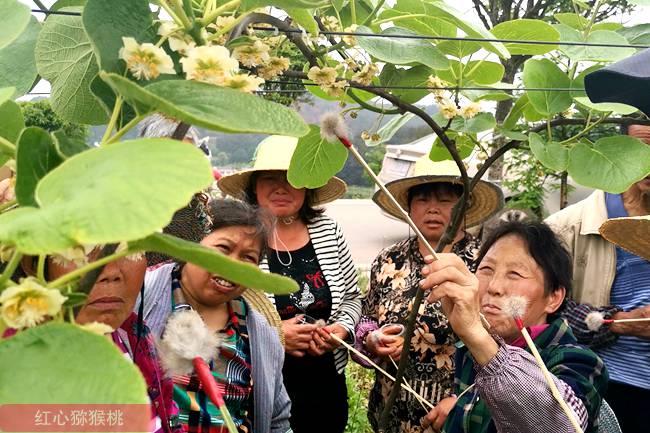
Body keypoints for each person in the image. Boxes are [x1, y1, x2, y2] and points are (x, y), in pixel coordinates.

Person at [217, 135, 361, 433]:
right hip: (258, 383)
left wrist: (341, 329)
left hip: (325, 382)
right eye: (269, 178)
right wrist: (276, 335)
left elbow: (352, 297)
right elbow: (217, 312)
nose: (281, 187)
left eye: (292, 177)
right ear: (253, 187)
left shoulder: (328, 231)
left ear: (307, 187)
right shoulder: (237, 239)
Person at [354, 156, 503, 433]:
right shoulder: (388, 260)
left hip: (456, 415)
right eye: (422, 200)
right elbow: (367, 317)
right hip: (391, 410)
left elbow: (505, 346)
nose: (433, 208)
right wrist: (372, 339)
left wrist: (464, 399)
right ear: (409, 207)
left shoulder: (484, 263)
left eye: (445, 200)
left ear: (464, 206)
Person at [419, 220, 607, 433]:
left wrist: (478, 338)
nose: (494, 287)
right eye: (487, 269)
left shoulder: (579, 361)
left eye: (515, 274)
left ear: (554, 297)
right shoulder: (470, 349)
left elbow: (563, 425)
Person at [141, 199, 292, 433]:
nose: (232, 265)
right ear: (189, 245)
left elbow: (277, 421)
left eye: (248, 258)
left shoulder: (263, 338)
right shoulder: (139, 298)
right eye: (223, 248)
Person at [545, 124, 650, 433]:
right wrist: (616, 321)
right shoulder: (567, 228)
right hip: (606, 389)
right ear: (613, 153)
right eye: (639, 152)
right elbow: (536, 311)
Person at [18, 251, 181, 433]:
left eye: (130, 249)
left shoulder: (135, 337)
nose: (110, 272)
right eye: (80, 250)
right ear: (32, 265)